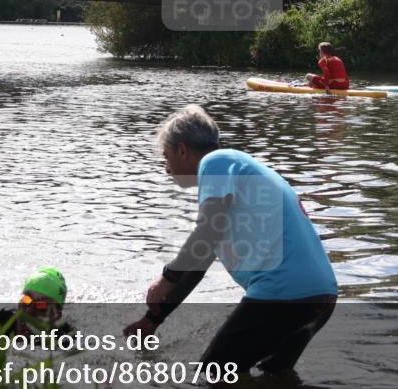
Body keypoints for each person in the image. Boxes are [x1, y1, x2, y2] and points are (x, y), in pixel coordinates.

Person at [123, 105, 338, 373]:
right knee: (275, 380)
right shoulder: (236, 173)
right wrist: (154, 319)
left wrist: (167, 277)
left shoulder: (217, 162)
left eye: (166, 157)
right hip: (321, 295)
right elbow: (198, 263)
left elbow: (206, 232)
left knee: (212, 377)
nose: (166, 169)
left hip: (282, 294)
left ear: (182, 150)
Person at [0, 267, 71, 337]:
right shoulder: (0, 322)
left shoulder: (67, 338)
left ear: (57, 315)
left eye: (41, 305)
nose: (28, 310)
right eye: (26, 300)